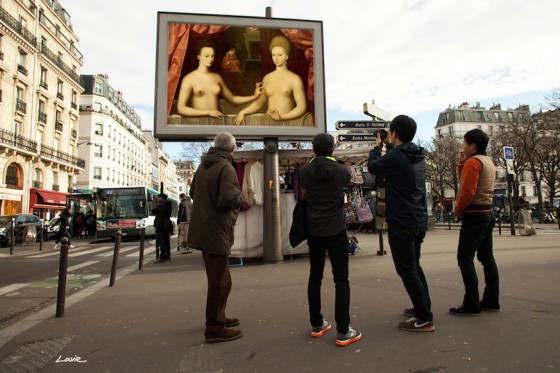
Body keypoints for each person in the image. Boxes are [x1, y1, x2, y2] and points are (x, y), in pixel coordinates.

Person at [367, 115, 435, 332]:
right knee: (414, 266)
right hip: (417, 218)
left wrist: (377, 147)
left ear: (394, 133)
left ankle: (424, 318)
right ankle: (422, 307)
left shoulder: (396, 157)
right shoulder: (417, 155)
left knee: (407, 269)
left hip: (402, 220)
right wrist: (389, 145)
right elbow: (395, 162)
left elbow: (374, 167)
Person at [298, 133, 362, 346]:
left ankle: (317, 324)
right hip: (336, 231)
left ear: (313, 149)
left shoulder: (304, 172)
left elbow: (304, 196)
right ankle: (343, 331)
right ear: (333, 150)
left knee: (314, 276)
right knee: (341, 280)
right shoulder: (342, 172)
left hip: (314, 231)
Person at [187, 132, 245, 343]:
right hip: (215, 230)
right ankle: (214, 327)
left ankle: (219, 317)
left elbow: (193, 192)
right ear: (232, 148)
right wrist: (242, 196)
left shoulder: (204, 166)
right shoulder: (226, 167)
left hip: (205, 228)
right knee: (219, 281)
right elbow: (229, 198)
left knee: (223, 279)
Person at [449, 128, 500, 315]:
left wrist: (458, 209)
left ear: (473, 145)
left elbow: (467, 190)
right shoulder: (487, 161)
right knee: (487, 258)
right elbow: (466, 181)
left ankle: (471, 302)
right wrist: (461, 164)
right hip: (487, 212)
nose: (463, 147)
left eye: (464, 143)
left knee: (465, 258)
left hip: (475, 214)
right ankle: (491, 299)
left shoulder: (473, 162)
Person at [176, 41, 262, 118]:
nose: (210, 59)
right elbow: (181, 108)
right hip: (199, 124)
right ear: (199, 57)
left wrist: (255, 96)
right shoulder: (189, 79)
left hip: (218, 121)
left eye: (212, 56)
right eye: (206, 56)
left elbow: (233, 99)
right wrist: (209, 112)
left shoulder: (217, 77)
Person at [235, 35, 308, 125]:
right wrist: (243, 112)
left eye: (280, 55)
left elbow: (302, 107)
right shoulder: (267, 78)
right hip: (268, 123)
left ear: (286, 57)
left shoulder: (295, 79)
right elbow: (259, 103)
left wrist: (282, 117)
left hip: (286, 123)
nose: (276, 58)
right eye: (274, 55)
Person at [151, 193, 172, 263]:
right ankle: (167, 255)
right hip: (166, 224)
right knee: (166, 240)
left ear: (162, 198)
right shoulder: (168, 205)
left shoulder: (162, 205)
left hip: (160, 224)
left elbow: (153, 211)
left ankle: (162, 256)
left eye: (158, 197)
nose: (157, 199)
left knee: (161, 241)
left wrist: (153, 203)